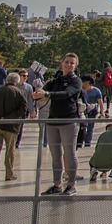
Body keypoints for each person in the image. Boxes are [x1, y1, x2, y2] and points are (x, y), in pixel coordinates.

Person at [33, 52, 83, 195]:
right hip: (53, 120)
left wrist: (47, 94)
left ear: (75, 66)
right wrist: (37, 95)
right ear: (62, 63)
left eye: (72, 63)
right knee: (55, 155)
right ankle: (57, 184)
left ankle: (71, 185)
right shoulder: (56, 80)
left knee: (69, 153)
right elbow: (44, 90)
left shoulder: (76, 81)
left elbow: (67, 94)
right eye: (66, 62)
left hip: (68, 120)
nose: (68, 65)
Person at [0, 72, 28, 187]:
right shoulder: (20, 93)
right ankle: (9, 174)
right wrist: (8, 118)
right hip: (11, 127)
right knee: (10, 152)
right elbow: (23, 109)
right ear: (17, 82)